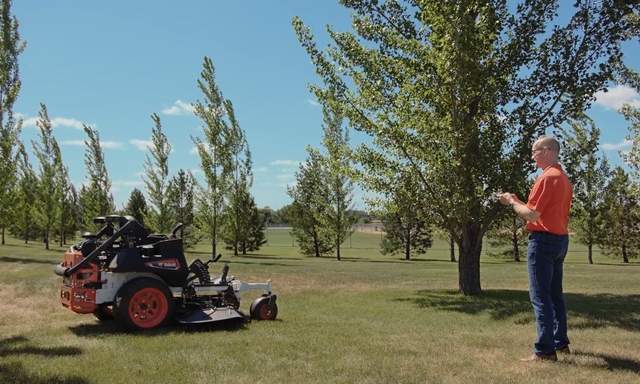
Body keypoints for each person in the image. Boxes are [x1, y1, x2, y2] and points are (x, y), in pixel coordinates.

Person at [496, 136, 573, 362]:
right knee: (555, 296)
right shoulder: (563, 178)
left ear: (547, 150)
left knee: (540, 297)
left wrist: (510, 203)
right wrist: (514, 199)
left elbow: (531, 215)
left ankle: (545, 350)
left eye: (534, 151)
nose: (532, 156)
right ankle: (561, 343)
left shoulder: (546, 178)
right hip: (560, 241)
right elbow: (535, 209)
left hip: (543, 242)